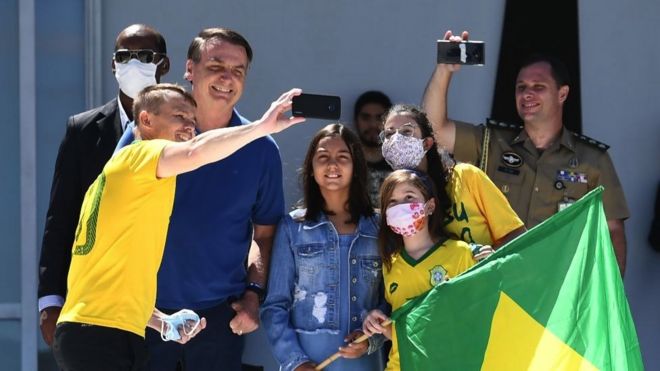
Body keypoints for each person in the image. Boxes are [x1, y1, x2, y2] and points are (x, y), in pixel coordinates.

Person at [51, 84, 306, 370]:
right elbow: (195, 152)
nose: (190, 128)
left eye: (192, 120)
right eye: (179, 117)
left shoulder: (130, 178)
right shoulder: (139, 156)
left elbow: (110, 279)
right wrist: (261, 127)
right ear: (146, 120)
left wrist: (160, 321)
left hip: (104, 331)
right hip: (99, 336)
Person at [115, 27, 288, 370]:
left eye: (238, 70)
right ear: (189, 70)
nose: (227, 78)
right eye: (216, 65)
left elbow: (264, 235)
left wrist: (254, 294)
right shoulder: (146, 136)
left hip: (218, 321)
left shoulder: (262, 150)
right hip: (144, 316)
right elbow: (116, 219)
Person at [422, 30, 630, 274]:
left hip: (557, 289)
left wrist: (608, 300)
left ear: (562, 94)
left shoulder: (592, 159)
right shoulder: (492, 142)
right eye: (521, 87)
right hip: (495, 281)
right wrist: (444, 70)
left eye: (538, 86)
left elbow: (612, 232)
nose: (527, 94)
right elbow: (433, 129)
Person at [38, 23, 170, 346]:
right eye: (124, 57)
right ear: (113, 65)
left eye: (143, 55)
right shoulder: (83, 130)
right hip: (95, 306)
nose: (133, 64)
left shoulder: (183, 127)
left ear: (162, 65)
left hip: (163, 301)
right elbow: (61, 218)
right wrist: (50, 301)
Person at [261, 124, 386, 371]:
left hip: (366, 364)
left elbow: (391, 300)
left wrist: (371, 339)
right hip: (307, 363)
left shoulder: (381, 228)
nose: (332, 165)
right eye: (323, 157)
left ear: (357, 166)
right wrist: (295, 362)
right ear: (311, 167)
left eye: (343, 157)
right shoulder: (291, 227)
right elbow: (275, 305)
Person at [361, 169, 478, 371]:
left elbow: (473, 318)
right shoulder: (390, 265)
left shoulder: (459, 254)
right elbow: (404, 332)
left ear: (430, 206)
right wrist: (379, 324)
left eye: (409, 197)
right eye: (393, 202)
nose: (401, 207)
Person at [379, 104, 525, 249]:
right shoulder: (391, 198)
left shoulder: (466, 177)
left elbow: (517, 236)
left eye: (406, 131)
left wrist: (489, 259)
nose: (396, 140)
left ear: (427, 143)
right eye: (389, 134)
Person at [353, 91, 393, 206]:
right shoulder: (346, 161)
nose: (373, 125)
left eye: (379, 118)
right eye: (366, 118)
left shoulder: (402, 162)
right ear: (356, 121)